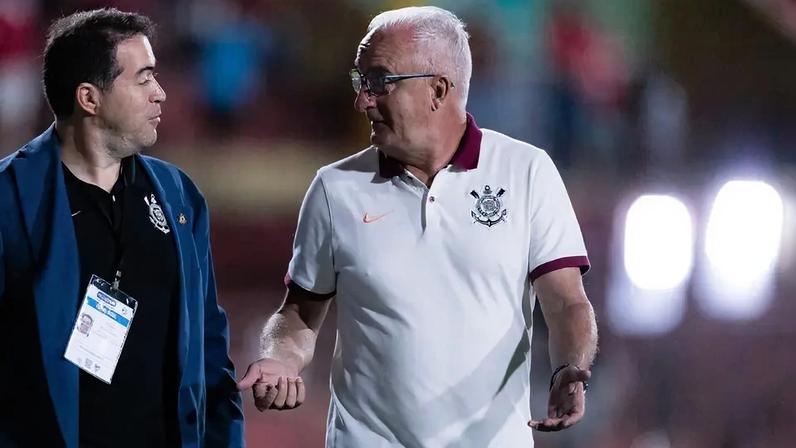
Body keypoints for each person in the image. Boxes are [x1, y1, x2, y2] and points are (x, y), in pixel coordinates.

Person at [238, 6, 598, 447]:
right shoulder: (334, 188)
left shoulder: (527, 172)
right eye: (360, 81)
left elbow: (565, 304)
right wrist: (279, 359)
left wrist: (569, 369)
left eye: (378, 82)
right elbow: (298, 315)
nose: (362, 100)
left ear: (438, 90)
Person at [0, 8, 243, 447]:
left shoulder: (178, 195)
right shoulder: (9, 199)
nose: (162, 93)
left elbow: (208, 344)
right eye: (144, 78)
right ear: (89, 99)